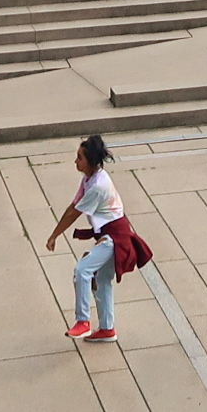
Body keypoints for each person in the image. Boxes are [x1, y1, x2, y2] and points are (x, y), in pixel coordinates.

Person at [44, 134, 151, 344]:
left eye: (79, 158)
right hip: (111, 235)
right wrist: (54, 234)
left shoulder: (97, 186)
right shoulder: (90, 178)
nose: (76, 161)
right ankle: (107, 329)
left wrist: (55, 235)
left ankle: (83, 321)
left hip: (113, 238)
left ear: (90, 161)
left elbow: (73, 213)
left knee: (82, 270)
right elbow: (72, 206)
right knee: (102, 281)